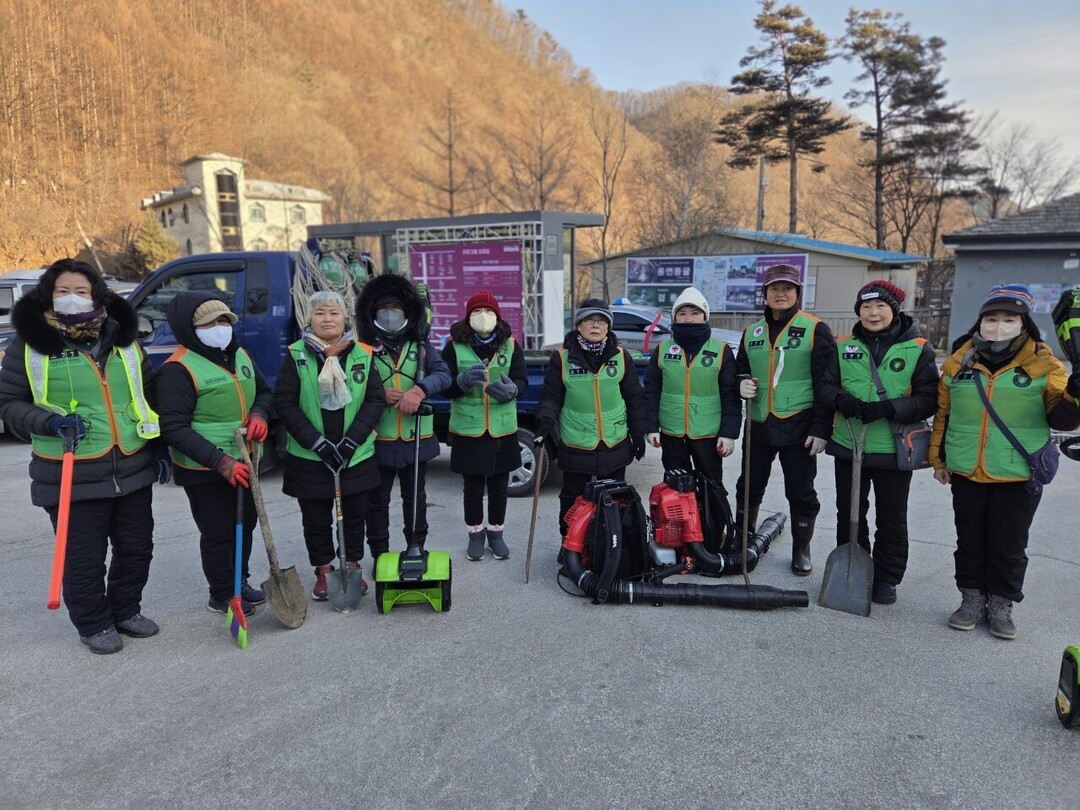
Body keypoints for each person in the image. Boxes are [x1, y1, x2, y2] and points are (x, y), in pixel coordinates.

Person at [0, 259, 168, 655]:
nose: (72, 298)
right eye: (62, 291)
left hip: (130, 463)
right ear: (47, 295)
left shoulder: (122, 339)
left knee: (137, 546)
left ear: (97, 295)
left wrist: (159, 445)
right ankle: (93, 623)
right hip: (69, 469)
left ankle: (126, 609)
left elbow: (148, 391)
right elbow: (8, 403)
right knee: (83, 557)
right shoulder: (28, 344)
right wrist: (48, 422)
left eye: (81, 291)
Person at [931, 284, 1080, 640]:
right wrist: (938, 458)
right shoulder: (959, 361)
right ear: (980, 321)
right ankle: (971, 600)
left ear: (1024, 322)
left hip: (1018, 471)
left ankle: (1001, 604)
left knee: (1009, 543)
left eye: (1009, 318)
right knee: (969, 540)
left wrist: (1076, 392)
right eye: (992, 318)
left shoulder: (1044, 363)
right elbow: (943, 414)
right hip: (967, 468)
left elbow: (1061, 419)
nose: (999, 324)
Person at [155, 292, 273, 617]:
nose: (220, 327)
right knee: (219, 531)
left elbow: (263, 392)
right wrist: (220, 461)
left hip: (245, 458)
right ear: (191, 328)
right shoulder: (178, 369)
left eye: (224, 321)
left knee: (245, 523)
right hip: (204, 468)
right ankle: (222, 593)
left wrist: (260, 415)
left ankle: (240, 580)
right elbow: (174, 428)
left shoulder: (240, 355)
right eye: (210, 322)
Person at [821, 281, 939, 605]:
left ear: (894, 309)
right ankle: (856, 570)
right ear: (858, 311)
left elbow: (929, 399)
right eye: (866, 307)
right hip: (850, 445)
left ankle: (886, 577)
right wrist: (840, 399)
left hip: (893, 448)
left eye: (880, 307)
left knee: (891, 518)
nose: (873, 313)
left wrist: (891, 408)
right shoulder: (842, 344)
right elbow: (825, 384)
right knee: (849, 514)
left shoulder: (917, 347)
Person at [273, 291, 384, 600]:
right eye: (320, 313)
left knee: (354, 516)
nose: (327, 319)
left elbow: (375, 399)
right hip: (310, 456)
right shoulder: (296, 354)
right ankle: (324, 570)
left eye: (333, 313)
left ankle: (350, 565)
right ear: (309, 319)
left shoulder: (363, 353)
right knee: (316, 519)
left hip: (355, 454)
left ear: (344, 318)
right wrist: (317, 443)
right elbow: (284, 402)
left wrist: (351, 442)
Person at [734, 264, 836, 575]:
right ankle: (743, 541)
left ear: (796, 293)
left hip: (800, 426)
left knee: (801, 491)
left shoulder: (816, 329)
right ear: (764, 294)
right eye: (774, 288)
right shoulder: (752, 332)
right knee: (748, 486)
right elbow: (740, 368)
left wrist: (821, 428)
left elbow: (827, 382)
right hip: (759, 423)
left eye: (788, 289)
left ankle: (801, 549)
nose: (781, 293)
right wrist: (741, 382)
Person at [355, 274, 451, 563]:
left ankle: (416, 547)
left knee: (415, 499)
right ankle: (380, 554)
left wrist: (419, 391)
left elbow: (444, 375)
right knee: (377, 502)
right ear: (372, 316)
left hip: (415, 439)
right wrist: (377, 393)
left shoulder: (422, 348)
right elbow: (349, 384)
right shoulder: (363, 350)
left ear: (407, 313)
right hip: (377, 440)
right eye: (383, 311)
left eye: (396, 310)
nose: (389, 316)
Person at [535, 298, 646, 542]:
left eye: (601, 321)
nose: (595, 326)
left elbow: (634, 398)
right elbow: (552, 397)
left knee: (615, 497)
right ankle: (571, 543)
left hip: (614, 441)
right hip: (577, 441)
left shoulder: (620, 356)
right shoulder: (562, 358)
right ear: (578, 325)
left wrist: (639, 434)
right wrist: (545, 421)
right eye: (589, 320)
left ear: (608, 327)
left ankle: (612, 545)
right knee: (573, 498)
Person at [441, 291, 528, 561]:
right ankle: (476, 535)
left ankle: (496, 535)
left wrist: (513, 390)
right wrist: (462, 382)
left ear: (498, 317)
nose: (483, 317)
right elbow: (445, 387)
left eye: (488, 312)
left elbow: (522, 380)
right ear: (468, 317)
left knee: (500, 487)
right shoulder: (454, 346)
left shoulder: (511, 345)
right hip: (470, 430)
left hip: (502, 429)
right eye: (476, 312)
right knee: (473, 488)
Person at [642, 287, 740, 486]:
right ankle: (678, 519)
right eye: (682, 313)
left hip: (708, 433)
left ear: (705, 316)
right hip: (672, 432)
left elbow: (730, 396)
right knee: (675, 486)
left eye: (695, 313)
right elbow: (651, 392)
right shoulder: (663, 350)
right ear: (675, 317)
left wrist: (728, 434)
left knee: (710, 484)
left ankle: (713, 518)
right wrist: (650, 427)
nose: (688, 318)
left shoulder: (721, 351)